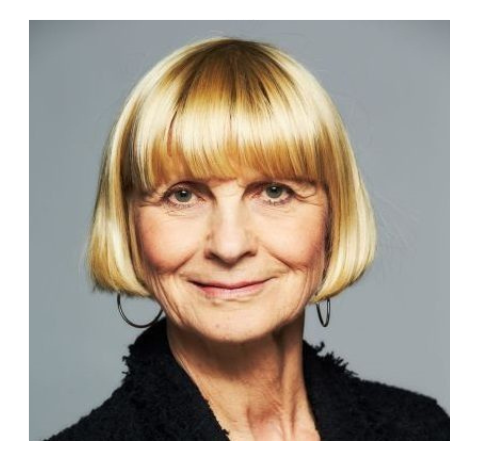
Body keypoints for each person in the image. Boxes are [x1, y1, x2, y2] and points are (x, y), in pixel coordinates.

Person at [45, 36, 449, 441]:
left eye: (274, 191)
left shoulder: (423, 432)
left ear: (334, 215)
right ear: (127, 222)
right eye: (182, 195)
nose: (229, 246)